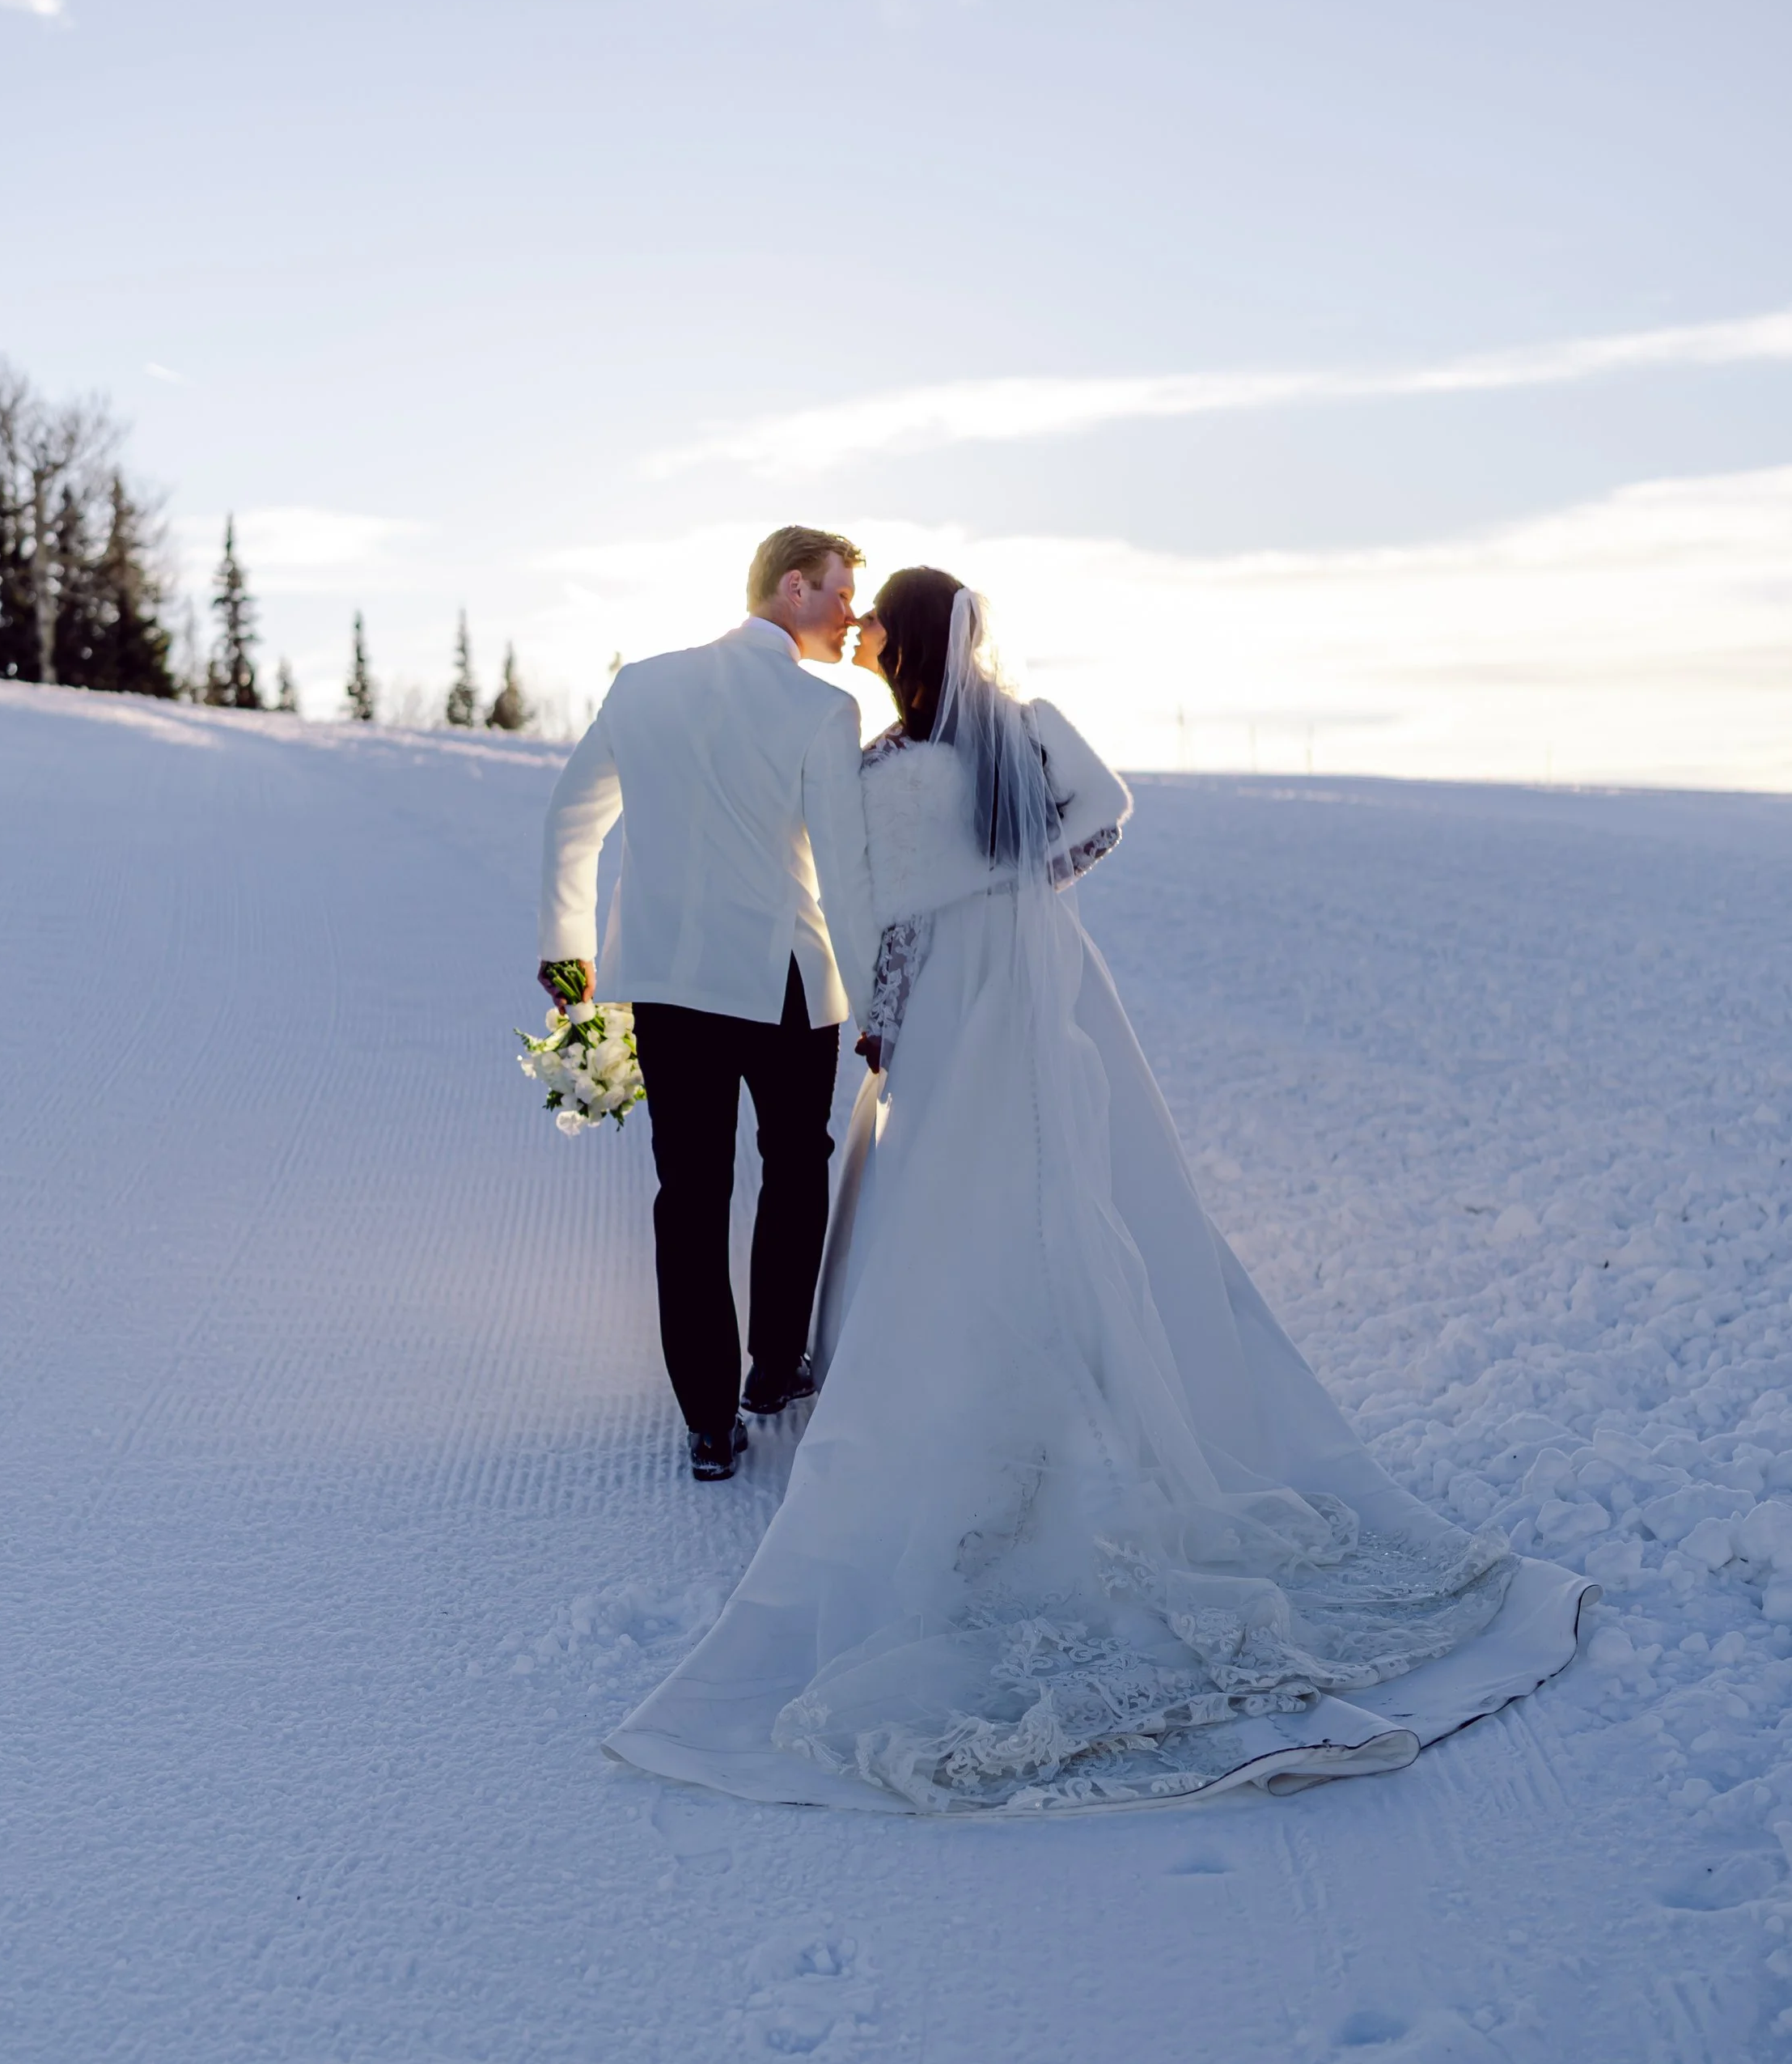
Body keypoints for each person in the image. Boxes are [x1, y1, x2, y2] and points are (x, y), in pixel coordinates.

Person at [604, 570, 1595, 1814]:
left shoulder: (878, 770)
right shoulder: (1027, 731)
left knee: (947, 1207)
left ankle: (967, 1401)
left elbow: (884, 930)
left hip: (952, 1010)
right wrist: (1031, 890)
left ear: (899, 647)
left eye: (873, 629)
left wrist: (883, 1037)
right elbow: (1106, 809)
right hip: (1049, 992)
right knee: (1083, 1184)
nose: (859, 639)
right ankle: (1094, 1379)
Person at [538, 528, 879, 1481]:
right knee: (794, 1168)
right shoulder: (822, 709)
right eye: (842, 591)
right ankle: (772, 1369)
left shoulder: (642, 684)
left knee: (688, 1196)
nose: (850, 611)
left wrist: (567, 959)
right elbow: (846, 878)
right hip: (782, 984)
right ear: (793, 584)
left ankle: (706, 1420)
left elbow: (572, 823)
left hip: (668, 987)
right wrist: (877, 998)